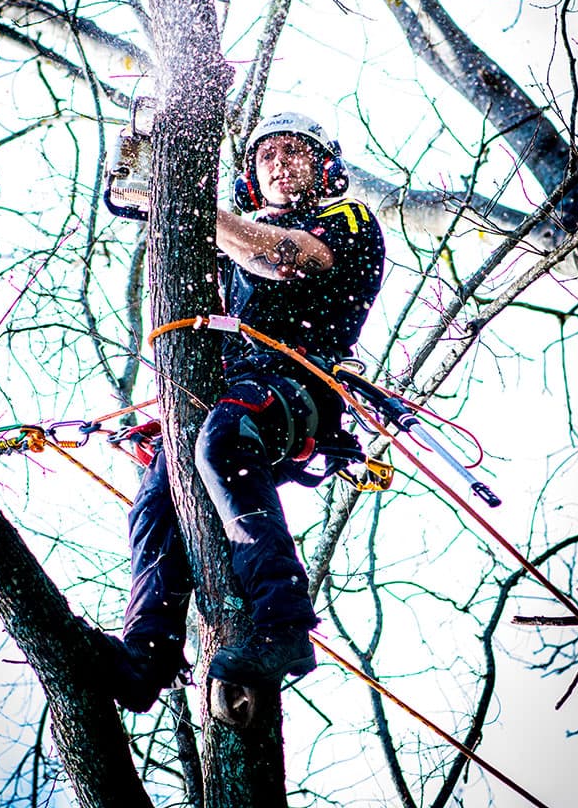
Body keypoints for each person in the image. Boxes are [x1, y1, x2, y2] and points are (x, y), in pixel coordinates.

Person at [107, 112, 385, 712]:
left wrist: (180, 201)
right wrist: (144, 194)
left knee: (222, 441)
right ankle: (147, 650)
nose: (281, 163)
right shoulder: (236, 243)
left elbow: (285, 258)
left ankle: (284, 626)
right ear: (252, 176)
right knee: (159, 496)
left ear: (324, 166)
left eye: (295, 152)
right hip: (230, 388)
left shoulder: (347, 220)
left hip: (300, 384)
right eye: (268, 156)